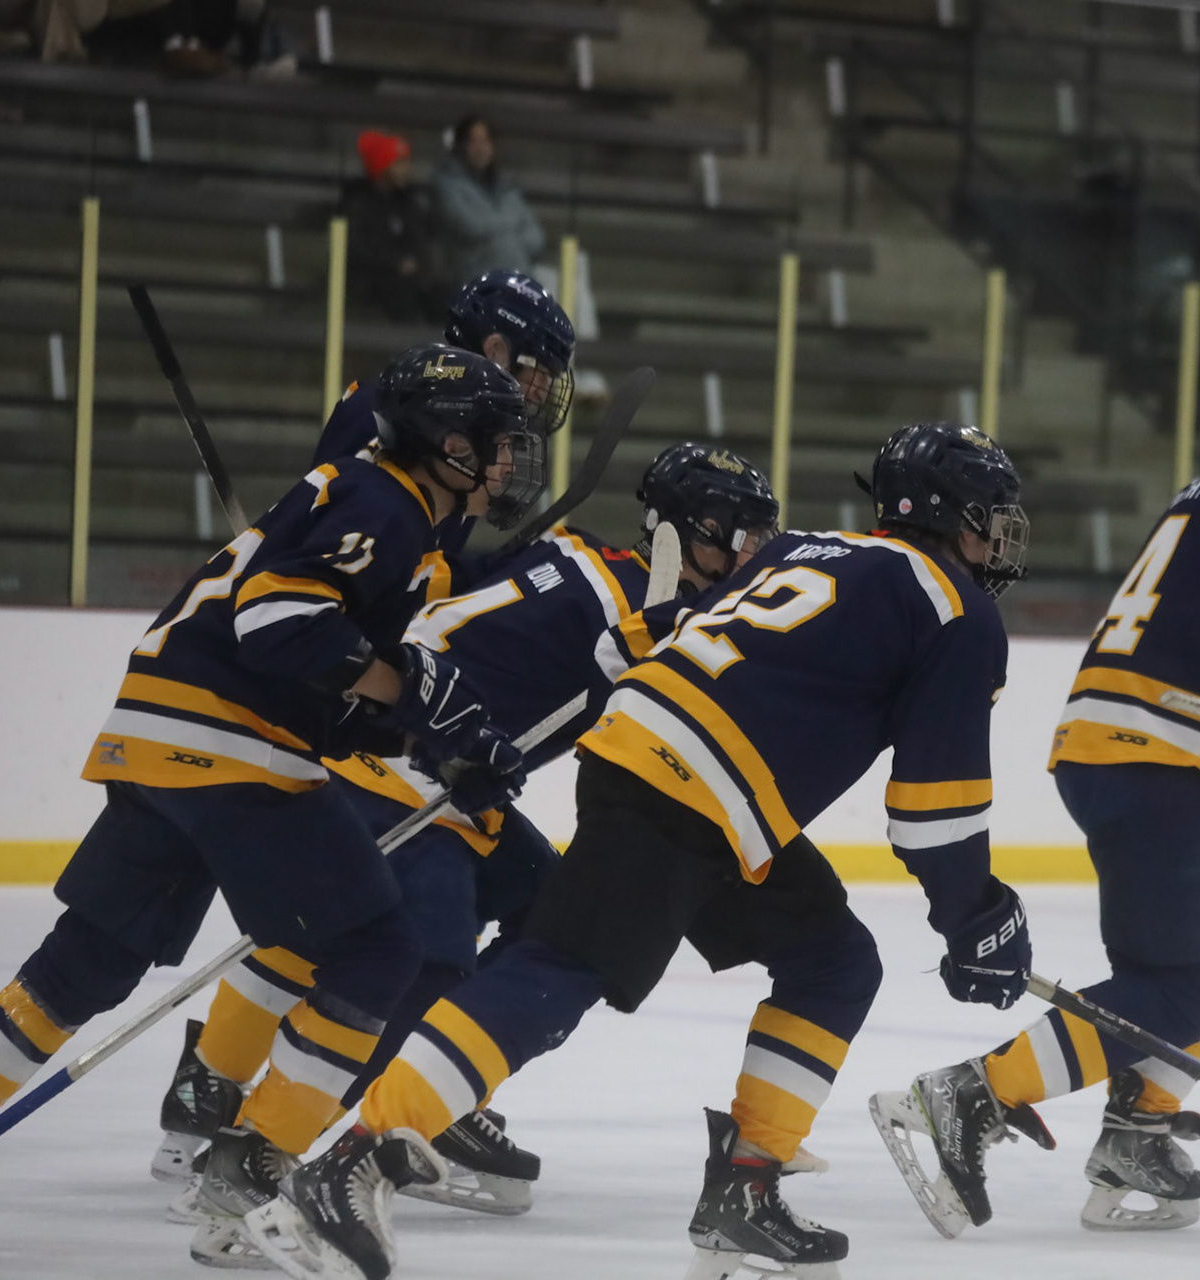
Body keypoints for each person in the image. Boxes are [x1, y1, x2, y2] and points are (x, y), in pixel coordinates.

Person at [243, 422, 1036, 1280]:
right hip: (691, 785)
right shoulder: (957, 611)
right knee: (556, 971)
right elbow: (932, 814)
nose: (998, 540)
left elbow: (653, 637)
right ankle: (350, 1163)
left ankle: (748, 1187)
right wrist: (978, 919)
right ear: (953, 515)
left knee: (834, 962)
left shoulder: (809, 546)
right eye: (992, 520)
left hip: (675, 769)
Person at [0, 344, 541, 1243]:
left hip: (155, 737)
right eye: (496, 442)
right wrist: (411, 686)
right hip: (233, 748)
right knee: (379, 951)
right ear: (448, 444)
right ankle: (249, 1176)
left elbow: (315, 681)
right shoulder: (389, 505)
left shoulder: (354, 497)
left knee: (89, 958)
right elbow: (279, 624)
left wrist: (433, 740)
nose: (509, 462)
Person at [151, 444, 780, 1236]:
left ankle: (433, 1085)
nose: (755, 555)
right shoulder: (626, 601)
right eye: (744, 536)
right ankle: (262, 1153)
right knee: (419, 966)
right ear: (694, 532)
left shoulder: (588, 562)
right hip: (403, 769)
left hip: (441, 776)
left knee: (550, 911)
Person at [870, 331, 1200, 1237]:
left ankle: (1138, 1128)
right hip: (1155, 751)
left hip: (1138, 741)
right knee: (1173, 988)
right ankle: (971, 1094)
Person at [316, 268, 575, 591]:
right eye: (540, 372)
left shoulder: (465, 432)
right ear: (495, 350)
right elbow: (337, 559)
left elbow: (419, 575)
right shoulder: (389, 411)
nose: (543, 393)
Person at [432, 114, 546, 289]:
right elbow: (470, 227)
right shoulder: (447, 184)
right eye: (474, 141)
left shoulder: (507, 187)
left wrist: (501, 235)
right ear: (461, 145)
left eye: (485, 141)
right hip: (475, 284)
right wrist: (511, 231)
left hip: (518, 284)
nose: (481, 148)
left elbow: (536, 237)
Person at [341, 130, 435, 325]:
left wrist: (418, 266)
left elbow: (420, 244)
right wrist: (395, 263)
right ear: (382, 166)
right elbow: (357, 249)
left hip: (410, 282)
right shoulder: (359, 204)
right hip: (371, 284)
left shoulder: (409, 202)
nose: (406, 169)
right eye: (399, 163)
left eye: (407, 162)